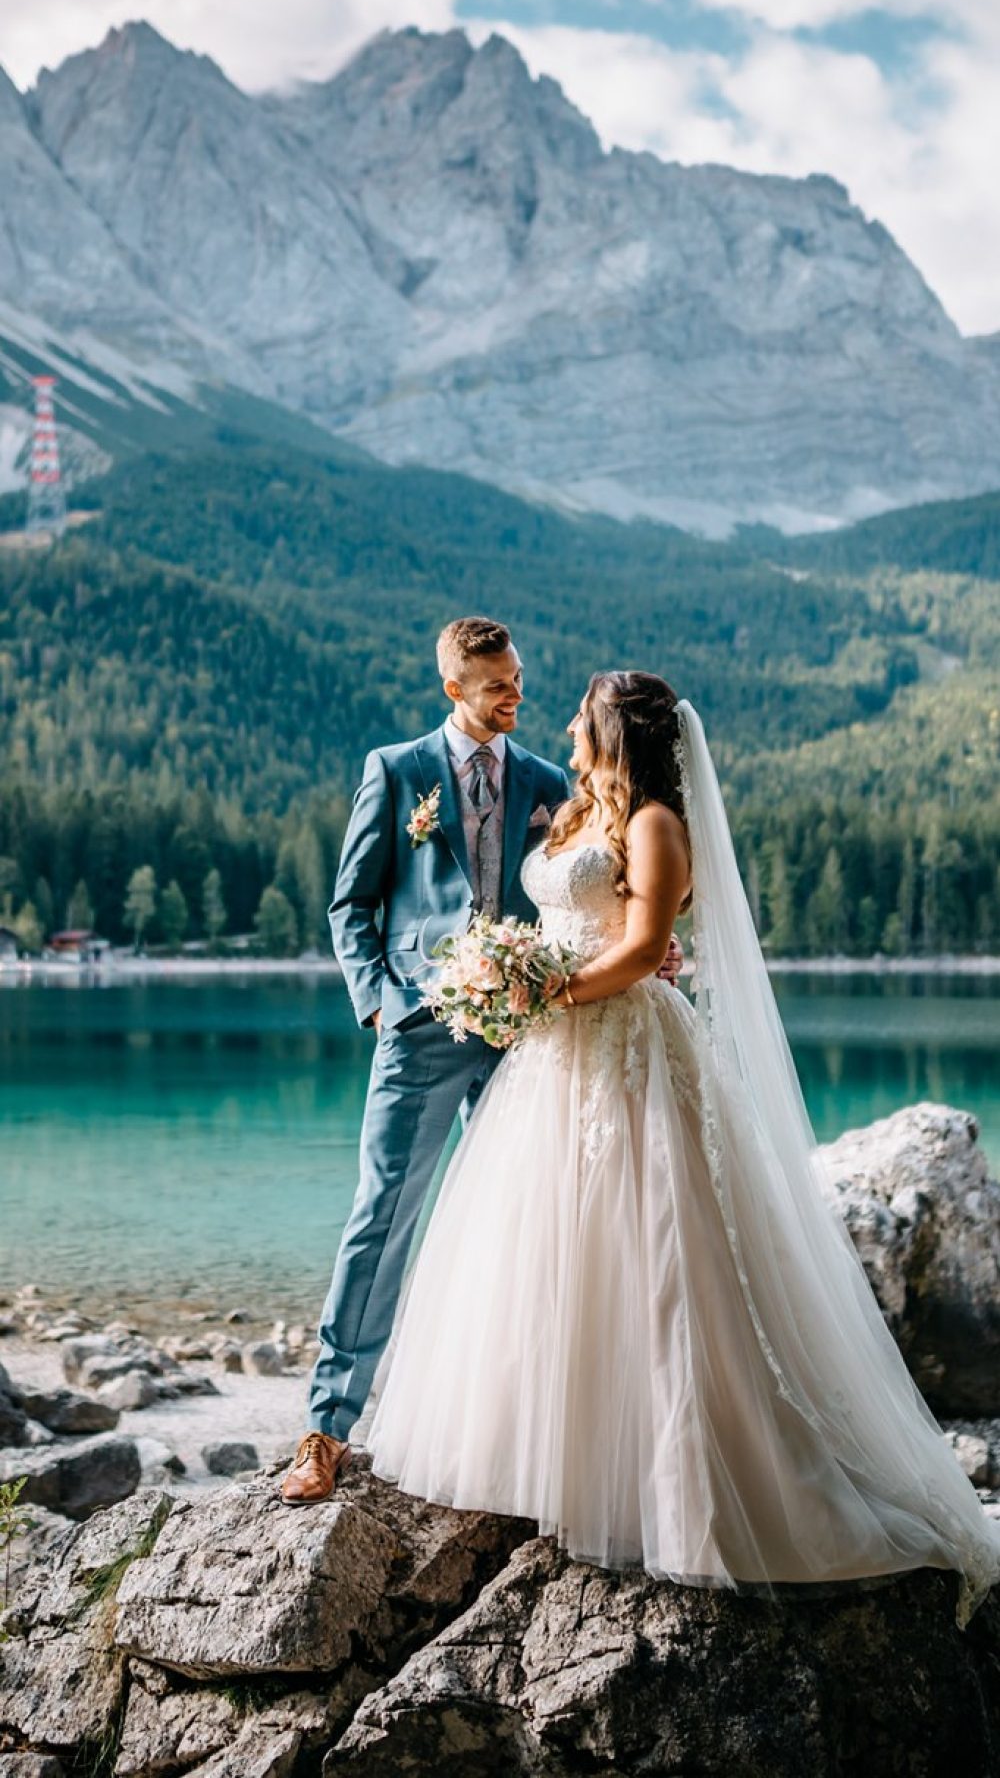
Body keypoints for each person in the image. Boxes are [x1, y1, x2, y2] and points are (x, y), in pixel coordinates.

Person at [362, 671, 1000, 1627]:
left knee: (654, 1243)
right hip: (554, 1058)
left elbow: (640, 945)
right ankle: (556, 1456)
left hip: (622, 1044)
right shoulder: (579, 810)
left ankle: (678, 1482)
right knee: (549, 1245)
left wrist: (542, 995)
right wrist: (513, 974)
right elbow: (565, 916)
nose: (568, 726)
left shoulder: (658, 822)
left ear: (614, 729)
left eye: (582, 716)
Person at [281, 624, 683, 1503]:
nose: (515, 697)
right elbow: (350, 905)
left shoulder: (548, 782)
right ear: (452, 688)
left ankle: (529, 1429)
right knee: (383, 1216)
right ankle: (325, 1429)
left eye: (519, 679)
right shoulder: (395, 771)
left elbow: (608, 875)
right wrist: (382, 1001)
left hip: (535, 1038)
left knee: (538, 1224)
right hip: (423, 1025)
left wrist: (649, 944)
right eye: (497, 685)